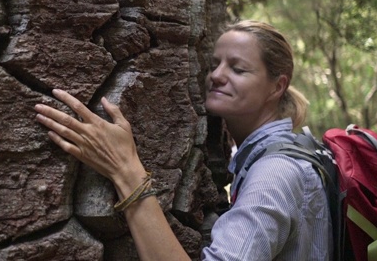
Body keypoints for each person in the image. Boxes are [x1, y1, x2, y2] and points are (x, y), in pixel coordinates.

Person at [33, 20, 332, 260]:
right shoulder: (292, 151)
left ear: (277, 87)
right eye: (215, 64)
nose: (217, 75)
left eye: (237, 69)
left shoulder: (274, 174)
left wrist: (126, 170)